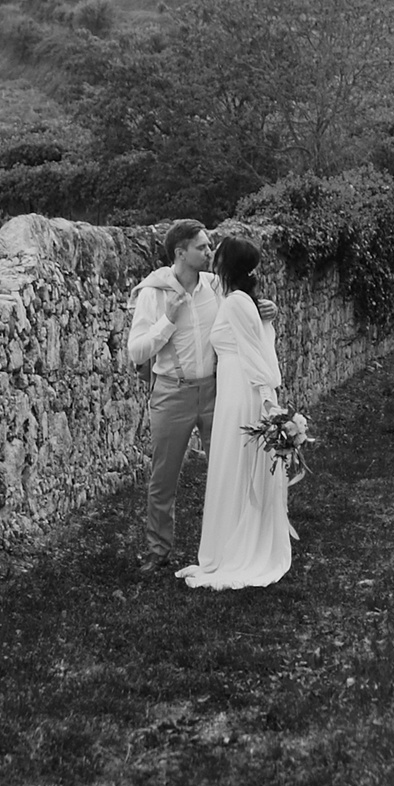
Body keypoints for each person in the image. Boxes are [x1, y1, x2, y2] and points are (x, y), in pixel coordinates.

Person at [178, 235, 294, 591]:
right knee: (231, 467)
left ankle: (237, 549)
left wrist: (268, 404)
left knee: (237, 467)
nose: (212, 257)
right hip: (232, 389)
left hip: (243, 392)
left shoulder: (235, 304)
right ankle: (225, 544)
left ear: (226, 265)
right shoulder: (235, 299)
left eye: (218, 254)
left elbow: (258, 358)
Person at [125, 220, 221, 573]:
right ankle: (158, 550)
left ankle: (225, 546)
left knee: (225, 470)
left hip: (214, 391)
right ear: (181, 253)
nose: (210, 252)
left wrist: (264, 310)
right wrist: (168, 319)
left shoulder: (215, 286)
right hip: (171, 393)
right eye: (203, 247)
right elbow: (136, 352)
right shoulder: (154, 293)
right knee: (163, 478)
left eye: (209, 246)